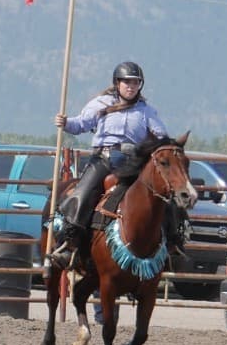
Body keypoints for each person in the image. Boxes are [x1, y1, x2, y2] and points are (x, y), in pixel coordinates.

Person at [49, 61, 170, 268]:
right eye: (127, 82)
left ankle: (172, 243)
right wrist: (66, 123)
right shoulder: (101, 103)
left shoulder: (146, 110)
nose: (131, 86)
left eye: (135, 83)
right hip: (104, 158)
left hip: (134, 163)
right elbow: (81, 124)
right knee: (83, 193)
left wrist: (166, 146)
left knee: (164, 194)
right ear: (117, 82)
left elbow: (161, 135)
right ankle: (69, 243)